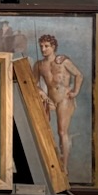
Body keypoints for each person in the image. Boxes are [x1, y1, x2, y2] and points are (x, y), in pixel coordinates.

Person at [33, 35, 84, 163]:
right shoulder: (39, 65)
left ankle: (64, 165)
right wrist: (42, 93)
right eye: (41, 46)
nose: (43, 49)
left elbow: (78, 75)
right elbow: (34, 84)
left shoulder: (63, 61)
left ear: (53, 47)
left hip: (64, 99)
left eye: (46, 46)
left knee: (62, 132)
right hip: (50, 100)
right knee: (45, 130)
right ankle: (51, 160)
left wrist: (75, 92)